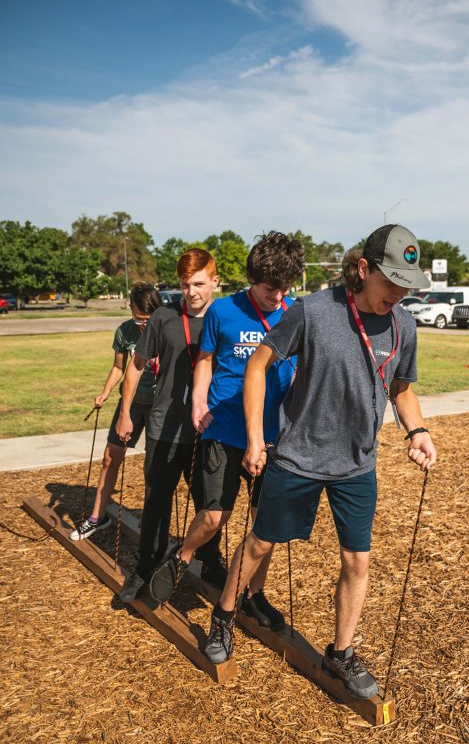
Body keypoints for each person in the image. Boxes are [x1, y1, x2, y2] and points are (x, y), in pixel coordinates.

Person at [202, 224, 437, 699]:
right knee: (260, 544)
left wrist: (418, 430)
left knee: (357, 561)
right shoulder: (313, 311)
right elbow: (257, 365)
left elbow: (401, 390)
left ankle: (341, 653)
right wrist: (255, 438)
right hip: (297, 457)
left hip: (357, 464)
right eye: (391, 281)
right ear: (363, 269)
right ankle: (224, 617)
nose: (399, 293)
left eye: (407, 284)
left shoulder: (404, 326)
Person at [147, 231, 305, 624]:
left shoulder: (294, 312)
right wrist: (199, 402)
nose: (277, 296)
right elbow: (205, 360)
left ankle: (253, 593)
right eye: (270, 289)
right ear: (252, 279)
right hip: (224, 427)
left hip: (274, 435)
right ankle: (182, 556)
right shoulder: (224, 311)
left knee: (265, 525)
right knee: (215, 516)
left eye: (284, 288)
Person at [114, 249, 224, 603]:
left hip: (209, 431)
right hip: (165, 427)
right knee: (156, 503)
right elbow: (136, 365)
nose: (191, 292)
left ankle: (210, 561)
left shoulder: (225, 317)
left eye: (198, 284)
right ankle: (146, 566)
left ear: (215, 282)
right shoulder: (163, 316)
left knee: (209, 504)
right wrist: (126, 412)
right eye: (185, 284)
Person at [70, 282, 162, 541]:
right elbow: (118, 367)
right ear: (130, 309)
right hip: (131, 402)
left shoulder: (166, 329)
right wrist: (105, 392)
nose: (143, 325)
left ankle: (152, 523)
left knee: (154, 466)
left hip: (159, 406)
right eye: (138, 319)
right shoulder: (124, 331)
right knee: (110, 457)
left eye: (148, 320)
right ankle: (97, 517)